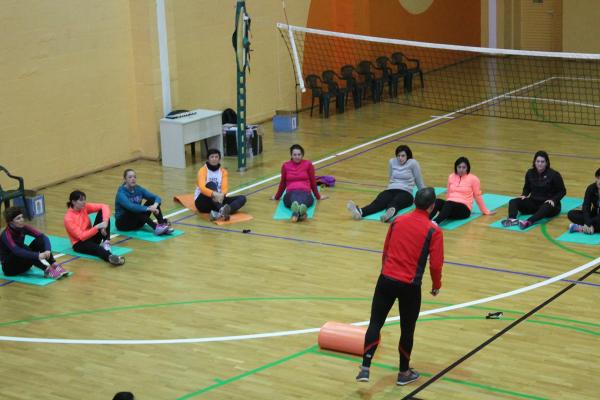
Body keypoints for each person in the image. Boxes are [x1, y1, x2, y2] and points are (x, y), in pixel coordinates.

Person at [356, 187, 444, 386]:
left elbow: (386, 250)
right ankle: (403, 373)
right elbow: (436, 264)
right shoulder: (433, 230)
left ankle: (365, 367)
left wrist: (386, 272)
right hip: (410, 286)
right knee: (407, 329)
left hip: (386, 279)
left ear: (414, 202)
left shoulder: (397, 221)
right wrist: (436, 285)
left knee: (375, 323)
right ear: (431, 207)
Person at [347, 145, 425, 223]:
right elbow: (391, 178)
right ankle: (360, 212)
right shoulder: (392, 161)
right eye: (398, 156)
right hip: (391, 189)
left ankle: (388, 214)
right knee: (379, 202)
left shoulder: (413, 163)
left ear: (407, 156)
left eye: (403, 156)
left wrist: (423, 197)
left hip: (406, 192)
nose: (400, 158)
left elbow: (419, 180)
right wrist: (390, 189)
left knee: (395, 202)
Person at [501, 151, 566, 230]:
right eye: (538, 161)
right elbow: (527, 187)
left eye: (542, 162)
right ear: (534, 162)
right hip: (534, 203)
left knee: (546, 206)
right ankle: (512, 219)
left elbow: (562, 191)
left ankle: (528, 222)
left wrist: (553, 200)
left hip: (549, 205)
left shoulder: (554, 175)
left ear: (546, 163)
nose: (540, 164)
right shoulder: (530, 173)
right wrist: (524, 195)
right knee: (513, 201)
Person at [1, 207, 69, 279]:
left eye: (22, 217)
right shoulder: (6, 235)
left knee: (39, 241)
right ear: (11, 222)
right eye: (18, 218)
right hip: (10, 269)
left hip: (24, 263)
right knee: (24, 248)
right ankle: (46, 270)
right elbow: (17, 251)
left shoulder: (24, 227)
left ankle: (54, 264)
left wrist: (47, 250)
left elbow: (43, 237)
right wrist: (37, 255)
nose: (22, 220)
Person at [64, 190, 125, 266]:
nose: (84, 202)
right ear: (73, 202)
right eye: (81, 200)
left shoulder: (84, 208)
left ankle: (106, 242)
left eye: (84, 199)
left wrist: (104, 223)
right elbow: (81, 236)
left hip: (91, 236)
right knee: (97, 249)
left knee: (102, 214)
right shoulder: (68, 218)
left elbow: (104, 206)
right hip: (80, 244)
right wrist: (97, 227)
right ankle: (110, 257)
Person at [429, 156, 495, 224]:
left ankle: (435, 222)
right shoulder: (451, 177)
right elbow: (449, 193)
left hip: (464, 210)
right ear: (456, 167)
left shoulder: (474, 179)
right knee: (437, 201)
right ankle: (426, 220)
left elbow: (477, 196)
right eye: (459, 167)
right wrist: (445, 210)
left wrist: (485, 211)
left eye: (464, 167)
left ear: (467, 168)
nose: (461, 169)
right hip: (450, 207)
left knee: (449, 204)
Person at [271, 144, 328, 222]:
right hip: (290, 193)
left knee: (301, 199)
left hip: (305, 192)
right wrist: (277, 197)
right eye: (294, 155)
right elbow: (283, 183)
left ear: (302, 155)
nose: (297, 157)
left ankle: (295, 214)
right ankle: (301, 213)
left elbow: (313, 181)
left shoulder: (308, 164)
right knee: (294, 199)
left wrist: (318, 196)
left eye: (299, 154)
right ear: (291, 155)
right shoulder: (285, 166)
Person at [115, 168, 173, 235]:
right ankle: (156, 228)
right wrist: (149, 208)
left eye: (134, 177)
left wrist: (154, 206)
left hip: (137, 222)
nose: (133, 179)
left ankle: (162, 225)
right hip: (123, 224)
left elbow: (157, 198)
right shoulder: (121, 193)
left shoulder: (139, 189)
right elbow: (131, 206)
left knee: (152, 201)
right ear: (125, 179)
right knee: (136, 209)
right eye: (130, 177)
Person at [194, 149, 247, 221]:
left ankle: (222, 212)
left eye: (216, 157)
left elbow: (224, 189)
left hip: (218, 201)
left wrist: (222, 195)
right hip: (203, 202)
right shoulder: (202, 170)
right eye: (212, 157)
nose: (214, 159)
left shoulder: (223, 172)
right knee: (211, 184)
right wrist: (215, 194)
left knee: (242, 198)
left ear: (219, 159)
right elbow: (202, 188)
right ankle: (222, 209)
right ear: (208, 159)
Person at [567, 168, 600, 234]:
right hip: (594, 215)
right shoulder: (591, 188)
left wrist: (589, 223)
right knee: (571, 214)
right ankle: (591, 228)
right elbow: (586, 206)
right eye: (599, 178)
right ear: (596, 179)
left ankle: (580, 228)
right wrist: (588, 222)